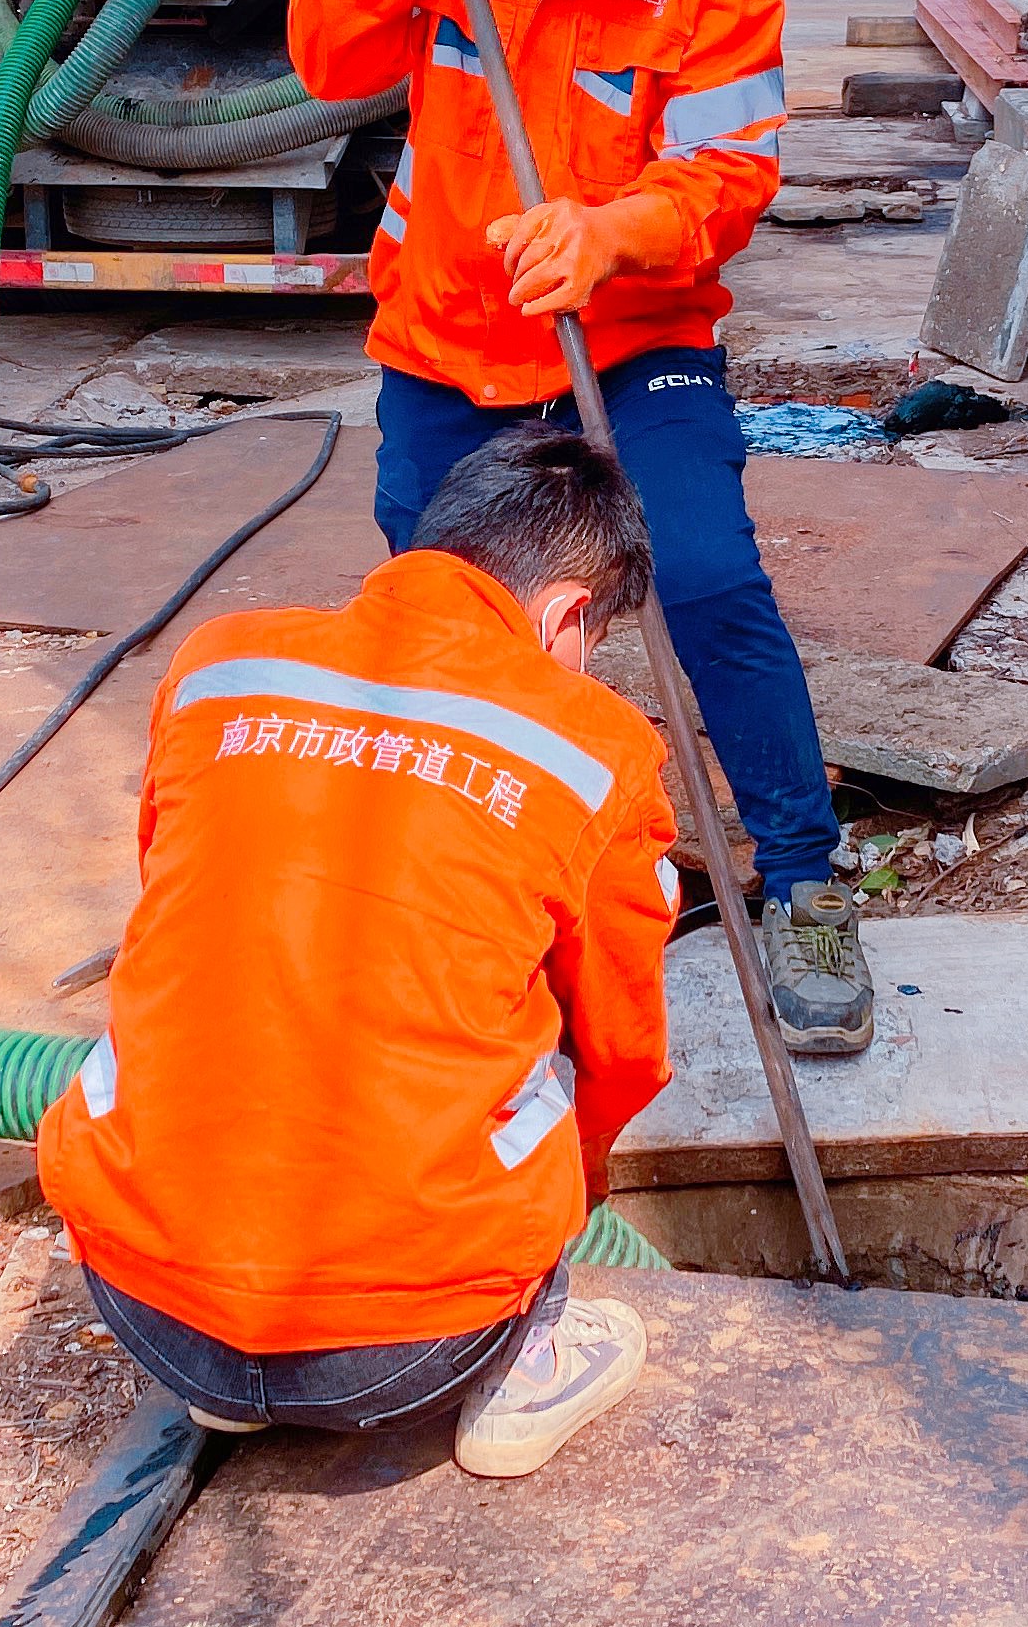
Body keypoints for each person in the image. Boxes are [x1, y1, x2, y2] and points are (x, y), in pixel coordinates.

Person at [287, 0, 875, 1053]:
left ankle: (802, 880)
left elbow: (729, 178)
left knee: (714, 579)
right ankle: (449, 890)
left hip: (636, 341)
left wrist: (616, 236)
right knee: (445, 620)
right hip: (451, 343)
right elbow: (325, 62)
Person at [35, 431, 675, 1475]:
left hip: (144, 1307)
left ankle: (232, 1395)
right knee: (551, 1040)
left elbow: (167, 881)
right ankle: (528, 1367)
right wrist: (572, 1195)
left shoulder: (218, 664)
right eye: (589, 640)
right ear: (566, 612)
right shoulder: (593, 747)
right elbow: (626, 1044)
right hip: (406, 1351)